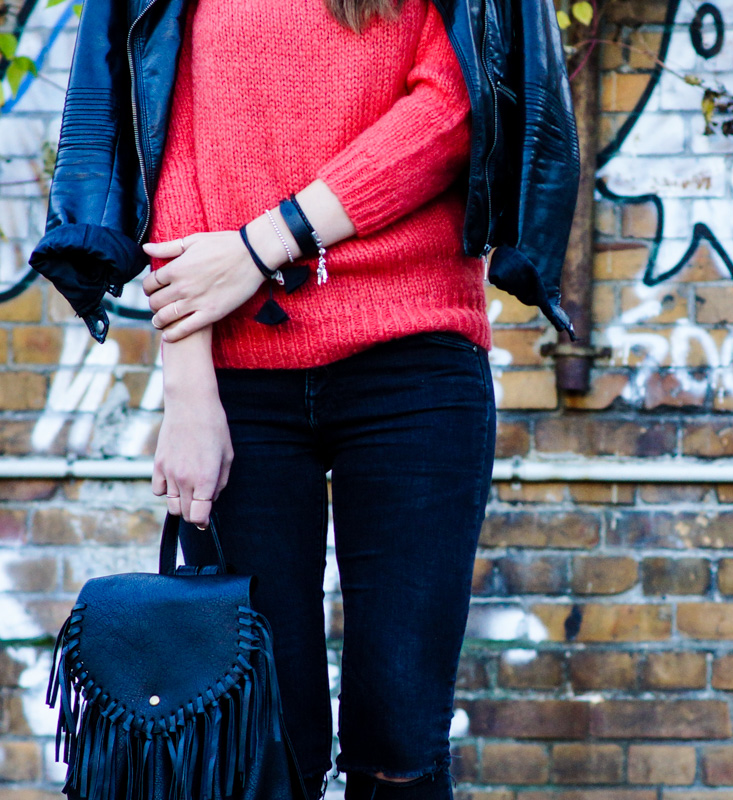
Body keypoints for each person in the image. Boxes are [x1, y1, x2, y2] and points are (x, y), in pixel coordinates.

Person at [49, 0, 552, 799]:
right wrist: (186, 386)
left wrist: (265, 243)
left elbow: (454, 109)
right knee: (263, 738)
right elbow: (166, 153)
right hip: (241, 381)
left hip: (412, 365)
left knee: (399, 734)